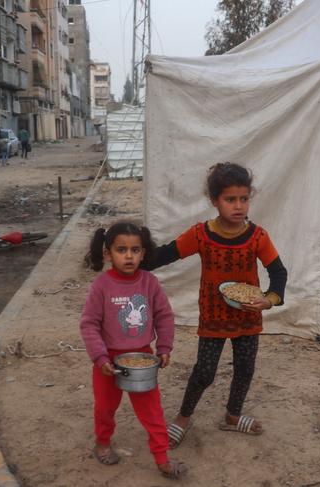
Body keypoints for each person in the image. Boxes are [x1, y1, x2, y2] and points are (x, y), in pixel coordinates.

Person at [149, 162, 288, 448]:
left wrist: (269, 299)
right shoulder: (201, 234)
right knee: (204, 372)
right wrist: (134, 258)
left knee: (245, 368)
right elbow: (165, 255)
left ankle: (233, 416)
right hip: (213, 317)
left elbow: (279, 272)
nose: (238, 206)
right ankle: (183, 418)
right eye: (230, 199)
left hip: (247, 317)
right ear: (215, 201)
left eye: (244, 198)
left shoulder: (258, 236)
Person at [80, 221, 187, 480]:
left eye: (135, 250)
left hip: (142, 358)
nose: (129, 256)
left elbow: (164, 316)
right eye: (121, 250)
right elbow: (89, 323)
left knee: (152, 411)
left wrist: (164, 347)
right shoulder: (102, 286)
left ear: (143, 253)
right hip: (107, 361)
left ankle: (162, 458)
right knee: (105, 408)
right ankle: (103, 442)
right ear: (108, 254)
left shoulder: (149, 282)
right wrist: (100, 357)